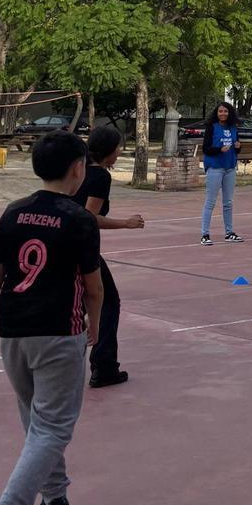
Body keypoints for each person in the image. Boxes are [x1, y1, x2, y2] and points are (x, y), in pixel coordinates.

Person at [0, 130, 104, 505]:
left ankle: (56, 502)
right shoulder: (78, 219)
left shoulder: (13, 213)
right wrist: (92, 329)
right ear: (78, 169)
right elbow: (94, 287)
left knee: (35, 423)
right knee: (51, 430)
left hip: (16, 333)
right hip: (59, 334)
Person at [71, 125, 145, 388]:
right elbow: (88, 217)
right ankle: (104, 367)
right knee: (107, 302)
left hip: (64, 245)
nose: (120, 152)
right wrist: (126, 223)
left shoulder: (77, 169)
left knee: (74, 304)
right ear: (110, 151)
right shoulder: (100, 177)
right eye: (118, 148)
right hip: (82, 248)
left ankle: (63, 361)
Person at [199, 102, 243, 246]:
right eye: (220, 111)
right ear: (216, 113)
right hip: (215, 168)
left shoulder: (233, 128)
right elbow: (206, 148)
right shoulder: (212, 127)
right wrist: (219, 150)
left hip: (229, 167)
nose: (223, 114)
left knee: (228, 202)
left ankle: (229, 232)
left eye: (225, 111)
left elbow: (236, 147)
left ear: (229, 113)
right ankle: (205, 234)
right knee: (210, 201)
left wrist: (238, 147)